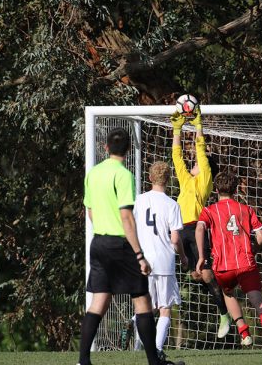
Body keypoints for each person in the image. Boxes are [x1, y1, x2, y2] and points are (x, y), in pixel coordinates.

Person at [79, 127, 184, 365]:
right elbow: (126, 217)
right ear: (128, 150)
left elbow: (90, 210)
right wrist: (139, 254)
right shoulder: (123, 174)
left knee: (99, 301)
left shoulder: (93, 173)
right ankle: (153, 361)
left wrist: (103, 232)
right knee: (143, 299)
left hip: (98, 243)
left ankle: (83, 360)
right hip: (119, 243)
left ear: (106, 147)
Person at [170, 108, 233, 339]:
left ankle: (224, 313)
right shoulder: (186, 179)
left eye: (199, 162)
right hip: (178, 230)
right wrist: (176, 129)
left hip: (196, 229)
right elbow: (176, 156)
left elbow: (200, 149)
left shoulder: (205, 179)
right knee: (193, 274)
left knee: (205, 275)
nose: (194, 163)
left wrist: (197, 125)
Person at [195, 171, 262, 353]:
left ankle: (244, 333)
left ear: (216, 189)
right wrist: (254, 249)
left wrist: (201, 256)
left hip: (224, 266)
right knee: (255, 296)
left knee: (228, 293)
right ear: (236, 189)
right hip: (246, 262)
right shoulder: (246, 209)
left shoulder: (209, 210)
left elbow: (199, 228)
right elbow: (261, 235)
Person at [134, 161, 188, 361]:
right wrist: (183, 257)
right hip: (164, 261)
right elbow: (175, 239)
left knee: (144, 307)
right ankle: (156, 349)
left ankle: (134, 326)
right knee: (165, 308)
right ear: (168, 179)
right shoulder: (172, 205)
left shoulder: (139, 200)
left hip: (144, 261)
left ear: (150, 178)